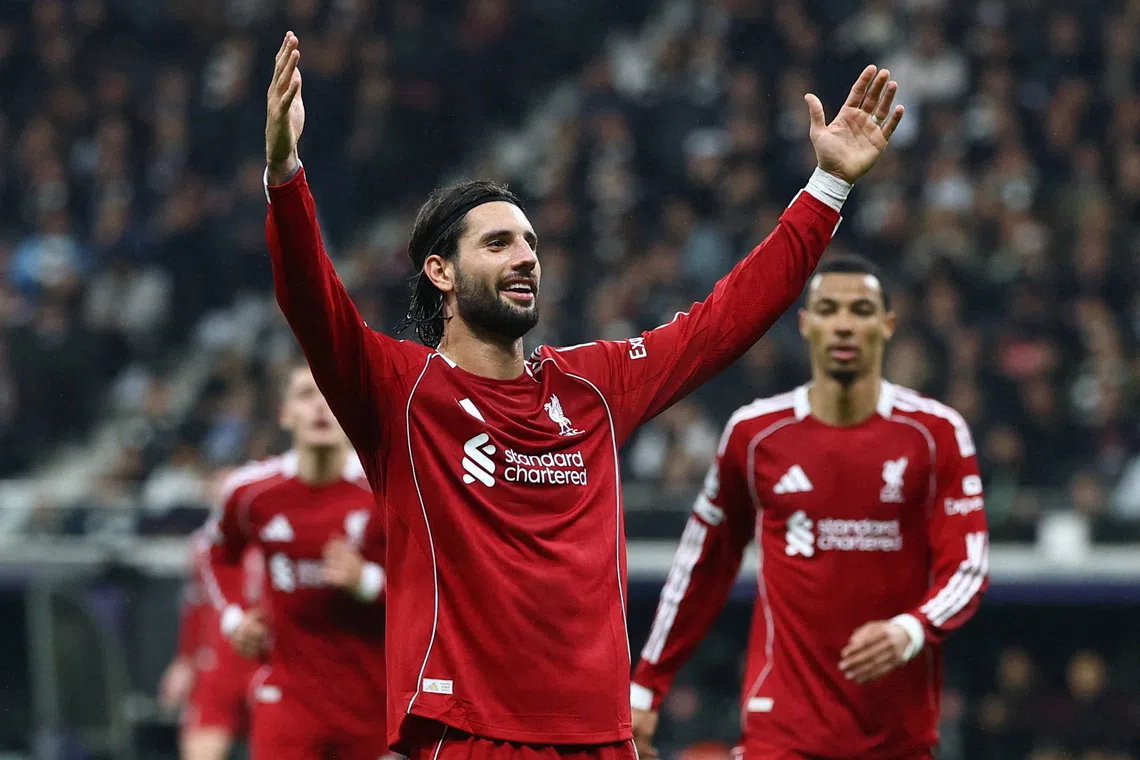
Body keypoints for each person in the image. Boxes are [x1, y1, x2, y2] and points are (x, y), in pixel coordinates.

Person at [263, 29, 904, 759]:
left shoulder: (592, 386)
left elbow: (726, 320)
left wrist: (827, 189)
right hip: (471, 733)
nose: (526, 257)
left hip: (601, 737)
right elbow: (311, 300)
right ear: (441, 273)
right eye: (498, 243)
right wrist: (285, 173)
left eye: (531, 243)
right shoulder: (399, 391)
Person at [629, 255, 990, 760]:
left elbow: (968, 566)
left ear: (887, 325)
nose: (843, 323)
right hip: (782, 733)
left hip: (897, 736)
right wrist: (646, 686)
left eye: (861, 309)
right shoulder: (755, 435)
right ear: (806, 325)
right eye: (828, 309)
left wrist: (911, 629)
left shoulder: (935, 434)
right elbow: (701, 566)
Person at [204, 363, 387, 760]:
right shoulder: (251, 492)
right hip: (288, 699)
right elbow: (218, 555)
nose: (321, 407)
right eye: (307, 395)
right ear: (285, 413)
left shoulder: (388, 491)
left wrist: (367, 582)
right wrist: (234, 618)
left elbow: (433, 586)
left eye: (331, 395)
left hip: (373, 702)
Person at [159, 527, 263, 760]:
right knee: (202, 745)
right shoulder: (205, 542)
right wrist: (184, 659)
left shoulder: (284, 527)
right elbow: (196, 604)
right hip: (219, 662)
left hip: (271, 661)